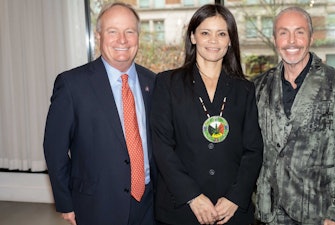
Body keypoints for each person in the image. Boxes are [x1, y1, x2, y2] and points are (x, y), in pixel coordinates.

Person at [43, 2, 156, 225]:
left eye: (129, 31)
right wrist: (65, 202)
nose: (122, 40)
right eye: (112, 31)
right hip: (96, 205)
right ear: (98, 36)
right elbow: (54, 148)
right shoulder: (71, 84)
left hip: (149, 205)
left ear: (138, 37)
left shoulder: (153, 82)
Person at [150, 4, 263, 225]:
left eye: (221, 34)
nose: (213, 40)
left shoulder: (245, 89)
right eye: (205, 33)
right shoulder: (167, 83)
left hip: (231, 211)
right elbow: (162, 147)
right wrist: (192, 196)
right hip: (181, 208)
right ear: (193, 37)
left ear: (230, 40)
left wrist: (235, 198)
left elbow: (253, 150)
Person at [253, 6, 335, 225]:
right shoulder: (258, 86)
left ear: (311, 37)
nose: (291, 41)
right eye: (283, 33)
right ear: (275, 39)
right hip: (268, 211)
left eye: (299, 32)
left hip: (317, 211)